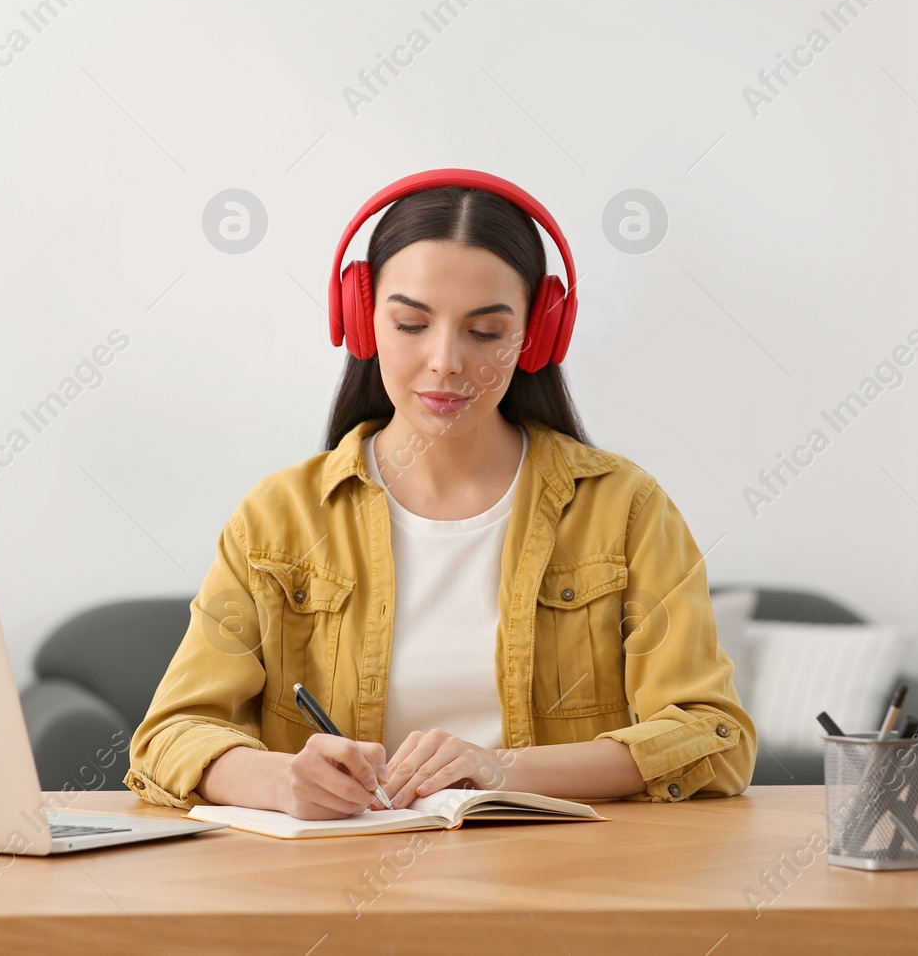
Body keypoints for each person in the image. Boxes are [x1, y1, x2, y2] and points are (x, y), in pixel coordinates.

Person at [125, 169, 756, 820]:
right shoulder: (279, 517)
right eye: (410, 324)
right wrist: (279, 779)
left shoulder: (624, 508)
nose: (446, 360)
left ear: (538, 334)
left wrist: (502, 770)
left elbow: (714, 738)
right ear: (363, 322)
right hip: (329, 887)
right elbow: (169, 736)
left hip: (559, 884)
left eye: (484, 332)